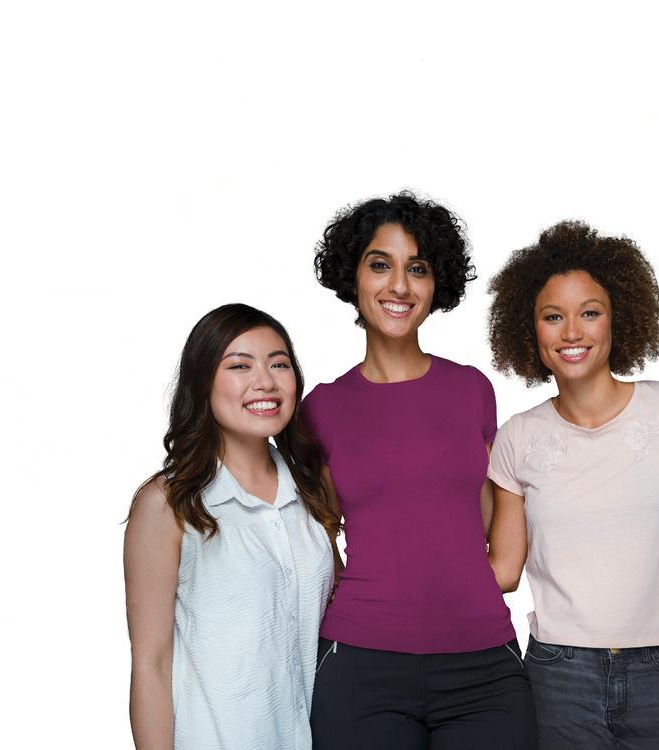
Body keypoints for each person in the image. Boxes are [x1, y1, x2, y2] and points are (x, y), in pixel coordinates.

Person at [303, 192, 537, 749]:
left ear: (438, 284)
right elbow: (317, 532)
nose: (399, 287)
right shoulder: (321, 408)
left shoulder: (471, 389)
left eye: (418, 269)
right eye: (380, 265)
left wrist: (496, 572)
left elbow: (483, 517)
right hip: (362, 665)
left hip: (483, 664)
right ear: (353, 277)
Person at [485, 221, 659, 749]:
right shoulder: (517, 437)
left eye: (590, 312)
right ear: (529, 330)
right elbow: (505, 571)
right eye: (552, 316)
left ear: (618, 319)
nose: (572, 332)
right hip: (558, 673)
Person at [123, 303, 339, 750]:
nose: (265, 381)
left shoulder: (310, 489)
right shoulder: (168, 504)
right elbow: (151, 662)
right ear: (203, 384)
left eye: (279, 364)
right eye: (239, 366)